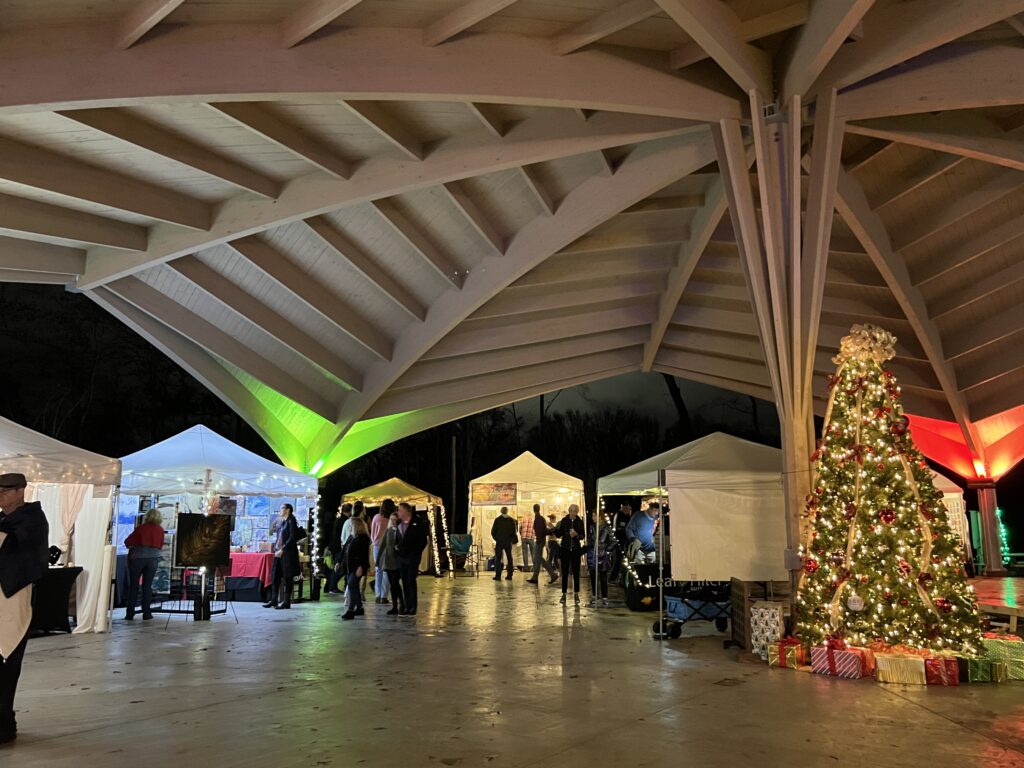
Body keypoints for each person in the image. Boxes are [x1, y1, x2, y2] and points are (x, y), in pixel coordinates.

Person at [0, 473, 49, 745]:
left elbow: (26, 552)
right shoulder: (6, 521)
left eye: (6, 491)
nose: (1, 495)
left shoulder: (32, 519)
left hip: (14, 599)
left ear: (20, 491)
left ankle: (5, 723)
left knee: (7, 664)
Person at [124, 508, 165, 620]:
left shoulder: (141, 528)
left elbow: (128, 542)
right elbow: (160, 545)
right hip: (153, 559)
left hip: (137, 558)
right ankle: (147, 613)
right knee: (147, 586)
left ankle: (130, 612)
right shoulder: (160, 530)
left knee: (134, 585)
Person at [264, 503, 299, 610]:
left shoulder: (291, 521)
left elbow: (293, 537)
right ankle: (274, 599)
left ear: (288, 510)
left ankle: (286, 601)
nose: (279, 510)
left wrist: (283, 549)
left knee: (288, 577)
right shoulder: (283, 522)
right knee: (275, 575)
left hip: (287, 554)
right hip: (278, 552)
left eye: (282, 508)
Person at [395, 502, 427, 616]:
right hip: (401, 557)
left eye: (400, 510)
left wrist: (416, 554)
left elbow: (423, 541)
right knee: (404, 581)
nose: (398, 512)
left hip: (412, 557)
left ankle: (413, 606)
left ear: (406, 511)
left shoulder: (417, 523)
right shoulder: (398, 524)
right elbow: (397, 539)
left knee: (411, 580)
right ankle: (406, 606)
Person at [554, 504, 585, 605]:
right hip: (565, 549)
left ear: (577, 512)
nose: (573, 512)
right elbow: (559, 534)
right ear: (569, 511)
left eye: (575, 511)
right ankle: (563, 594)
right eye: (571, 510)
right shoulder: (564, 521)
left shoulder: (580, 522)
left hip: (576, 549)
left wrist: (576, 534)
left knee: (576, 572)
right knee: (565, 572)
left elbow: (583, 536)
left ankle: (576, 594)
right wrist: (552, 528)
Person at [342, 518, 371, 621]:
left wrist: (361, 567)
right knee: (353, 586)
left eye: (352, 525)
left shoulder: (363, 538)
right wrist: (339, 562)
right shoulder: (351, 537)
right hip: (350, 567)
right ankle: (359, 607)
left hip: (357, 567)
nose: (350, 527)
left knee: (352, 585)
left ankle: (351, 610)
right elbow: (345, 550)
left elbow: (363, 555)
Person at [376, 510, 403, 615]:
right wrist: (378, 561)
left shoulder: (400, 531)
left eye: (395, 520)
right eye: (391, 520)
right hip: (388, 561)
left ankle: (402, 603)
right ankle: (395, 606)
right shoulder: (388, 531)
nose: (393, 522)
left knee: (396, 583)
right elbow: (382, 545)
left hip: (397, 562)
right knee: (393, 584)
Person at [586, 510, 614, 607]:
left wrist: (607, 550)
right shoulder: (592, 527)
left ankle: (605, 597)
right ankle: (595, 595)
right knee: (593, 576)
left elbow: (613, 541)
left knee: (603, 577)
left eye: (594, 516)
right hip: (593, 555)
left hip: (603, 555)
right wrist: (588, 545)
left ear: (600, 517)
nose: (592, 517)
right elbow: (590, 539)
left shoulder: (606, 528)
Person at [526, 504, 556, 584]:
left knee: (539, 559)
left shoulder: (538, 518)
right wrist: (549, 532)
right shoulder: (540, 518)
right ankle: (535, 577)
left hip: (540, 541)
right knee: (538, 559)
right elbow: (544, 530)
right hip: (541, 540)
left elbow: (540, 531)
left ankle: (552, 575)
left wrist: (539, 539)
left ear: (534, 509)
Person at [371, 500, 393, 604]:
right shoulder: (392, 519)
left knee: (378, 570)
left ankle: (377, 595)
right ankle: (384, 596)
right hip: (388, 547)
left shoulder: (376, 517)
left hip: (376, 545)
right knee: (386, 571)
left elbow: (372, 532)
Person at [325, 503, 351, 594]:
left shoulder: (339, 520)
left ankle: (330, 586)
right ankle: (332, 586)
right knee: (339, 567)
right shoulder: (345, 521)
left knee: (338, 566)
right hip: (339, 547)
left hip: (334, 546)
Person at [490, 506, 517, 581]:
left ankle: (498, 575)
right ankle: (509, 575)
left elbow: (493, 531)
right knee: (509, 558)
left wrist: (497, 539)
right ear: (507, 511)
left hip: (500, 542)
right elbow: (514, 531)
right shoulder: (511, 520)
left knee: (498, 558)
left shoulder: (497, 520)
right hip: (508, 542)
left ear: (501, 511)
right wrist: (511, 539)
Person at [518, 507, 534, 572]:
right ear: (530, 515)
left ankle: (526, 567)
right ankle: (534, 567)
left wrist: (522, 535)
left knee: (525, 553)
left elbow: (520, 529)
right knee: (533, 552)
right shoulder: (533, 520)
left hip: (524, 538)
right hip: (531, 538)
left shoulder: (522, 520)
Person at [545, 513, 560, 578]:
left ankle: (552, 571)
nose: (550, 519)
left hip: (552, 542)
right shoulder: (555, 524)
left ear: (552, 518)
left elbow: (549, 533)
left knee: (551, 558)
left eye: (550, 518)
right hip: (553, 542)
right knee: (554, 558)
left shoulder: (550, 525)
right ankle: (558, 571)